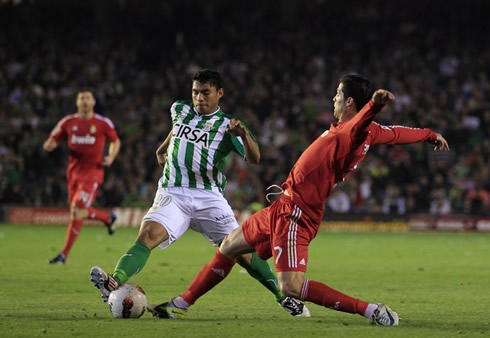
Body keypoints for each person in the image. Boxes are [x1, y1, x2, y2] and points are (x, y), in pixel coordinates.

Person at [147, 75, 450, 325]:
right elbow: (396, 133)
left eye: (337, 94)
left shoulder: (353, 132)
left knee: (290, 287)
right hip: (281, 206)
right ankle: (181, 303)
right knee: (229, 246)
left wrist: (374, 105)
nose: (332, 99)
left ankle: (370, 310)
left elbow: (362, 125)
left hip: (297, 215)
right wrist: (428, 134)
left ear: (349, 102)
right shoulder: (363, 131)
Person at [90, 69, 310, 317]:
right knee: (147, 236)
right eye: (195, 92)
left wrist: (244, 135)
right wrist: (161, 149)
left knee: (243, 253)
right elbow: (176, 129)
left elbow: (254, 158)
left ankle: (284, 298)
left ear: (220, 93)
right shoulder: (179, 109)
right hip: (173, 191)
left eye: (206, 93)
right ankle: (113, 281)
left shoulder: (229, 125)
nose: (199, 98)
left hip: (209, 198)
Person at [43, 89, 121, 264]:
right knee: (75, 213)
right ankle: (108, 218)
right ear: (77, 102)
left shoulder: (103, 123)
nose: (84, 101)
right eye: (81, 98)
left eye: (87, 98)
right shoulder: (68, 122)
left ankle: (63, 255)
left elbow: (115, 141)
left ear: (93, 102)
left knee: (77, 210)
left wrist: (111, 156)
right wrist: (50, 144)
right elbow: (54, 138)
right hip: (73, 174)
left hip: (93, 173)